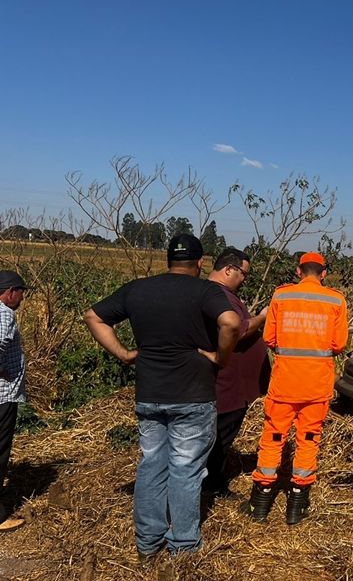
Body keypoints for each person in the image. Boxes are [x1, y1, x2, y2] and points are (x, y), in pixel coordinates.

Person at [84, 234, 240, 564]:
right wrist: (220, 357)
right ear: (200, 263)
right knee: (185, 470)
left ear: (168, 259)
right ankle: (183, 546)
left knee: (151, 465)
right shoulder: (206, 291)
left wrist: (124, 354)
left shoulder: (138, 289)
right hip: (192, 395)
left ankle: (147, 543)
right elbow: (230, 321)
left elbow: (93, 317)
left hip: (150, 394)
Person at [243, 251, 348, 525]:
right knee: (309, 439)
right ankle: (297, 502)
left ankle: (261, 501)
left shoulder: (282, 296)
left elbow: (269, 338)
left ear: (298, 272)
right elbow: (339, 345)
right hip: (316, 386)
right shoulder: (336, 299)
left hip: (284, 384)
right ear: (324, 274)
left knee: (274, 437)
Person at [203, 247, 270, 498]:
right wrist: (262, 317)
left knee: (221, 435)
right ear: (229, 269)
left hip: (233, 386)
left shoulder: (222, 295)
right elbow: (238, 330)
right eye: (243, 274)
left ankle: (212, 479)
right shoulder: (215, 296)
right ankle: (213, 484)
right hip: (227, 385)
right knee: (219, 437)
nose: (244, 279)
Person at [0, 271, 29, 532]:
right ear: (10, 292)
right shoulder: (5, 314)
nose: (22, 297)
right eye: (21, 292)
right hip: (2, 396)